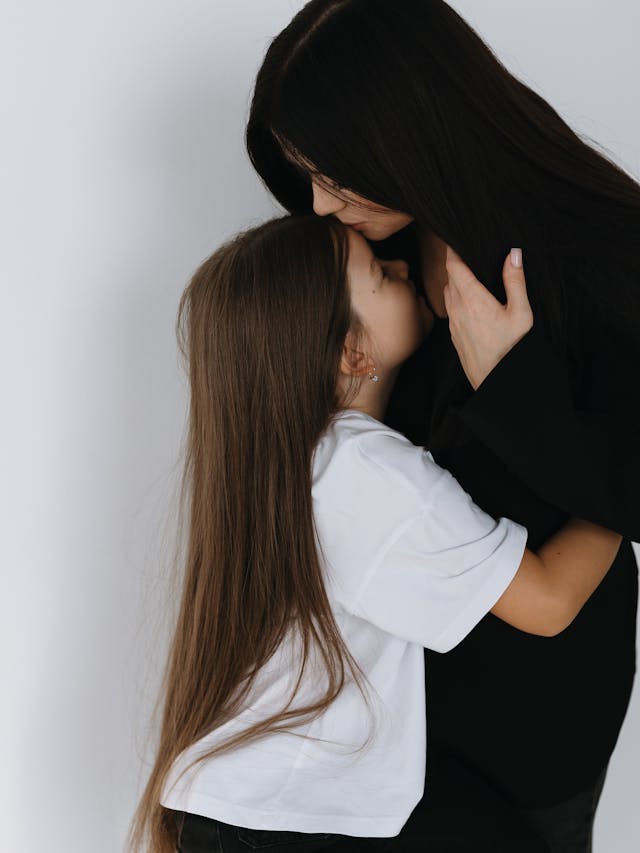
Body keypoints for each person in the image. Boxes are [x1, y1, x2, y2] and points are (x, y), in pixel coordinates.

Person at [244, 0, 640, 849]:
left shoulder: (596, 248)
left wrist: (514, 386)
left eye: (334, 175)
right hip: (381, 737)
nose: (318, 205)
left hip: (528, 729)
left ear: (404, 133)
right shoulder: (370, 259)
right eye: (305, 176)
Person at [127, 213, 621, 853]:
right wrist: (615, 481)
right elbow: (549, 600)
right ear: (352, 353)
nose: (403, 265)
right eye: (380, 274)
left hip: (236, 811)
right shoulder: (368, 473)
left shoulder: (284, 465)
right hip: (284, 827)